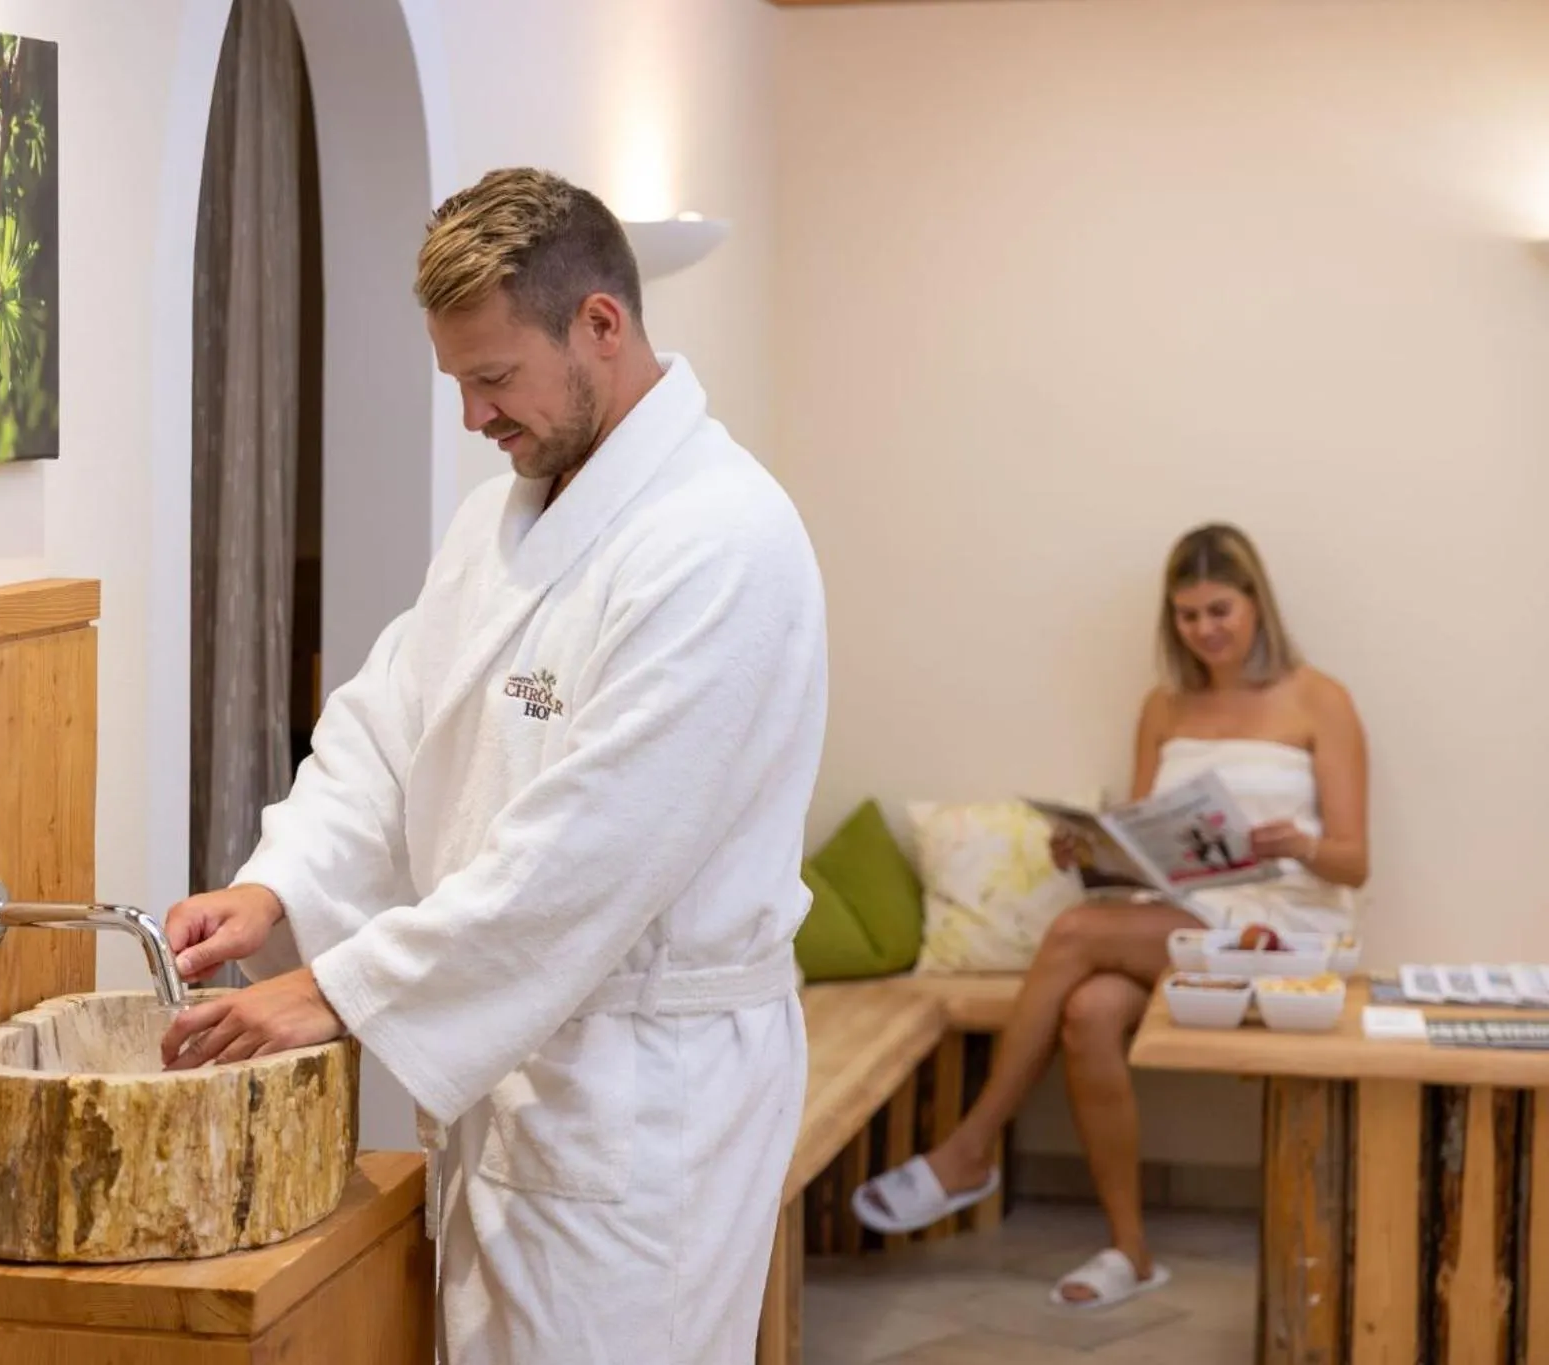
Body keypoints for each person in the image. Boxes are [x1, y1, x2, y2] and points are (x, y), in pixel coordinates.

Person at [158, 167, 829, 1364]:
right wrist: (282, 886)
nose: (474, 418)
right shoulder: (500, 519)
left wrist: (334, 991)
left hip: (642, 1102)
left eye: (492, 378)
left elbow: (583, 856)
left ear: (600, 326)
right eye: (457, 383)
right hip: (516, 1072)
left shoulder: (720, 544)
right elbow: (387, 725)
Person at [850, 522, 1368, 1310]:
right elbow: (1146, 836)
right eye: (1189, 615)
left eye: (1220, 609)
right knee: (1090, 1011)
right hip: (1183, 912)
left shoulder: (1319, 699)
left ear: (1258, 602)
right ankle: (1130, 1250)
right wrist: (1091, 851)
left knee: (1074, 933)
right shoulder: (1164, 706)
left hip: (1285, 924)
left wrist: (1301, 841)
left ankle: (967, 1147)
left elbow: (1355, 859)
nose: (1206, 630)